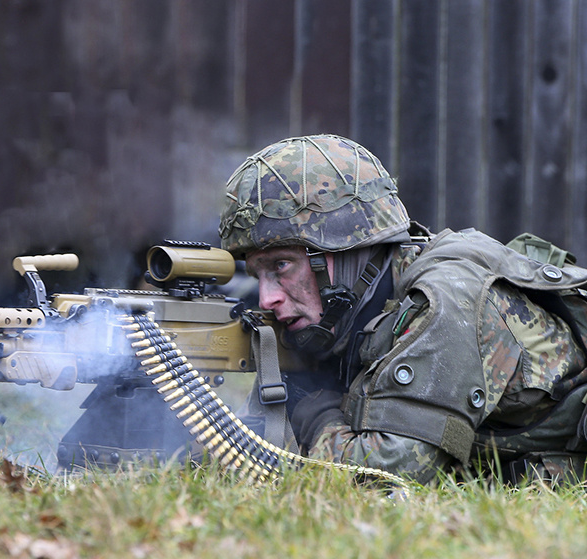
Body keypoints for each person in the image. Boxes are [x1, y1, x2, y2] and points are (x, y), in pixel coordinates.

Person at [220, 134, 587, 485]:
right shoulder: (339, 315)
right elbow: (255, 449)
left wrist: (312, 412)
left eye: (281, 266)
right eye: (258, 274)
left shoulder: (443, 301)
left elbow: (388, 472)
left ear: (349, 249)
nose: (267, 298)